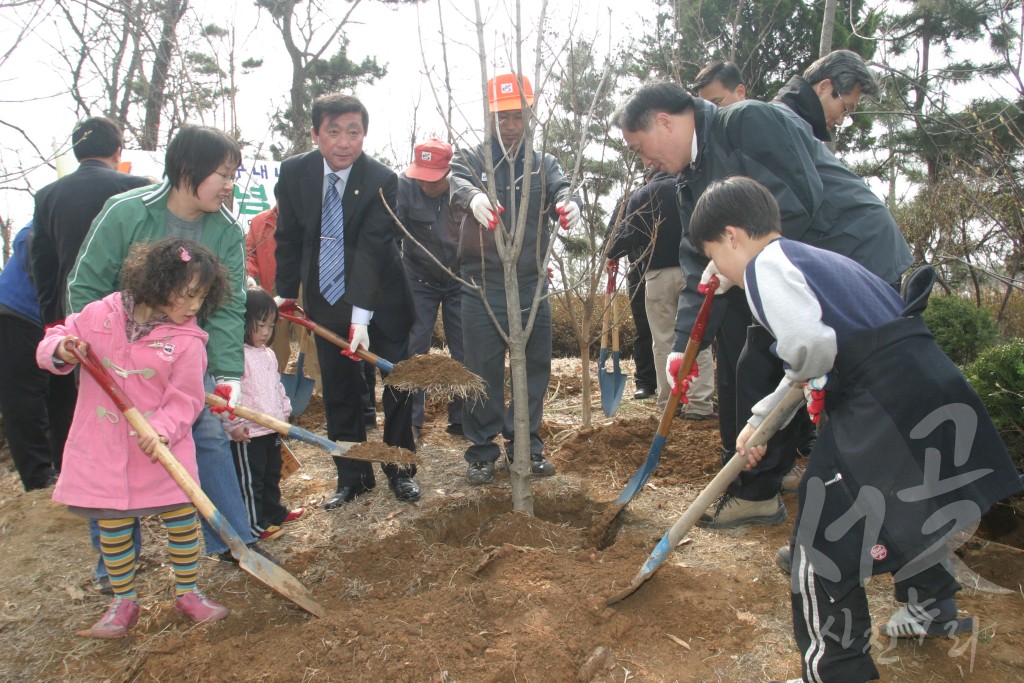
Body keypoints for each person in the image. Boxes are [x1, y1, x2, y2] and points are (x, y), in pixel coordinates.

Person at [689, 176, 1022, 683]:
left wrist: (776, 410)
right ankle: (931, 608)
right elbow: (822, 349)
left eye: (715, 253)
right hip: (924, 384)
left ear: (733, 236)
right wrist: (763, 419)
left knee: (818, 544)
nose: (720, 270)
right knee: (913, 499)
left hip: (879, 405)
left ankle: (835, 669)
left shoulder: (765, 268)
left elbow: (810, 349)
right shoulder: (817, 258)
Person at [612, 81, 913, 529]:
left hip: (850, 258)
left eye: (640, 148)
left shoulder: (748, 121)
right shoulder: (689, 179)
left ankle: (873, 509)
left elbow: (796, 203)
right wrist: (682, 346)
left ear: (664, 121)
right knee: (757, 364)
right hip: (789, 275)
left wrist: (740, 266)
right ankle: (762, 487)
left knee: (844, 387)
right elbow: (699, 263)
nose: (644, 162)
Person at [66, 125, 260, 559]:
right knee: (111, 446)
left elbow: (228, 306)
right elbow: (86, 285)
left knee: (207, 435)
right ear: (188, 169)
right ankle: (116, 567)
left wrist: (228, 375)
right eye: (223, 175)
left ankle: (233, 543)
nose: (230, 186)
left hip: (184, 352)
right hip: (117, 354)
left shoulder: (227, 229)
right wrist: (95, 349)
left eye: (234, 175)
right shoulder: (126, 212)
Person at [38, 238, 233, 639]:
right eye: (188, 294)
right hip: (104, 446)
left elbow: (187, 399)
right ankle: (123, 600)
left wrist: (162, 428)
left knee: (181, 517)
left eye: (202, 296)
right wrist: (61, 348)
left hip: (163, 447)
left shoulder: (188, 341)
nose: (195, 305)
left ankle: (188, 591)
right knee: (113, 524)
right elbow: (52, 338)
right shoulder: (100, 316)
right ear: (158, 283)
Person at [274, 93, 420, 508]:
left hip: (383, 301)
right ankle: (353, 476)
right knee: (339, 392)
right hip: (326, 298)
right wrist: (285, 293)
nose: (343, 142)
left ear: (364, 134)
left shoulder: (381, 178)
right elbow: (288, 237)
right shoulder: (295, 172)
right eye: (333, 132)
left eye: (353, 132)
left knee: (397, 389)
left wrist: (361, 318)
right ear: (316, 133)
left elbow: (375, 250)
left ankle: (400, 469)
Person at [448, 72, 582, 485]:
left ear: (530, 116)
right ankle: (482, 451)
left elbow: (563, 187)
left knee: (535, 367)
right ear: (490, 118)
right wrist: (473, 197)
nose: (510, 126)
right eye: (502, 117)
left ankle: (526, 445)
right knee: (481, 369)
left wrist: (568, 202)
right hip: (482, 284)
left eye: (517, 117)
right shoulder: (471, 159)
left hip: (531, 283)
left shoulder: (543, 165)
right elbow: (455, 181)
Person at [608, 173, 715, 418]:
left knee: (663, 340)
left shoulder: (642, 196)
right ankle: (699, 404)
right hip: (695, 273)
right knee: (699, 338)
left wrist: (613, 251)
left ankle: (669, 401)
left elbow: (622, 241)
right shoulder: (691, 186)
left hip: (657, 277)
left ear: (647, 177)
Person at [223, 288, 306, 541]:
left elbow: (276, 385)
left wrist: (284, 412)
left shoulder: (268, 355)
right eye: (260, 326)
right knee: (251, 481)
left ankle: (274, 512)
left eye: (271, 326)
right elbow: (225, 396)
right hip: (248, 433)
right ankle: (253, 523)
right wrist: (232, 425)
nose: (266, 333)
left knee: (272, 473)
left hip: (271, 428)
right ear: (243, 322)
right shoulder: (233, 357)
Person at [396, 138, 465, 441]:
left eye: (432, 179)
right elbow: (391, 232)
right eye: (420, 176)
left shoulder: (465, 189)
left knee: (465, 348)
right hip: (417, 277)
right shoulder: (404, 186)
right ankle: (411, 420)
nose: (424, 185)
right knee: (414, 349)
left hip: (459, 280)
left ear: (448, 171)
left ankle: (463, 418)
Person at [0, 224, 62, 490]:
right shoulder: (42, 226)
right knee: (25, 398)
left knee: (62, 398)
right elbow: (30, 243)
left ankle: (63, 467)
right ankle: (38, 477)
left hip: (56, 323)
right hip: (17, 315)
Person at [246, 200, 324, 392]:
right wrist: (249, 274)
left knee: (312, 341)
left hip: (303, 288)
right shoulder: (260, 222)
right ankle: (270, 389)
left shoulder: (312, 219)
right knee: (272, 340)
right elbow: (249, 253)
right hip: (271, 287)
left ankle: (325, 394)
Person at [605, 190, 657, 400]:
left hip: (672, 266)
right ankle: (646, 381)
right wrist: (612, 255)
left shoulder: (677, 187)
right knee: (644, 327)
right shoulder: (630, 200)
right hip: (639, 269)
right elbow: (613, 236)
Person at [773, 49, 879, 143]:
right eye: (845, 109)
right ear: (824, 87)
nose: (840, 121)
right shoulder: (773, 121)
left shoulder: (803, 138)